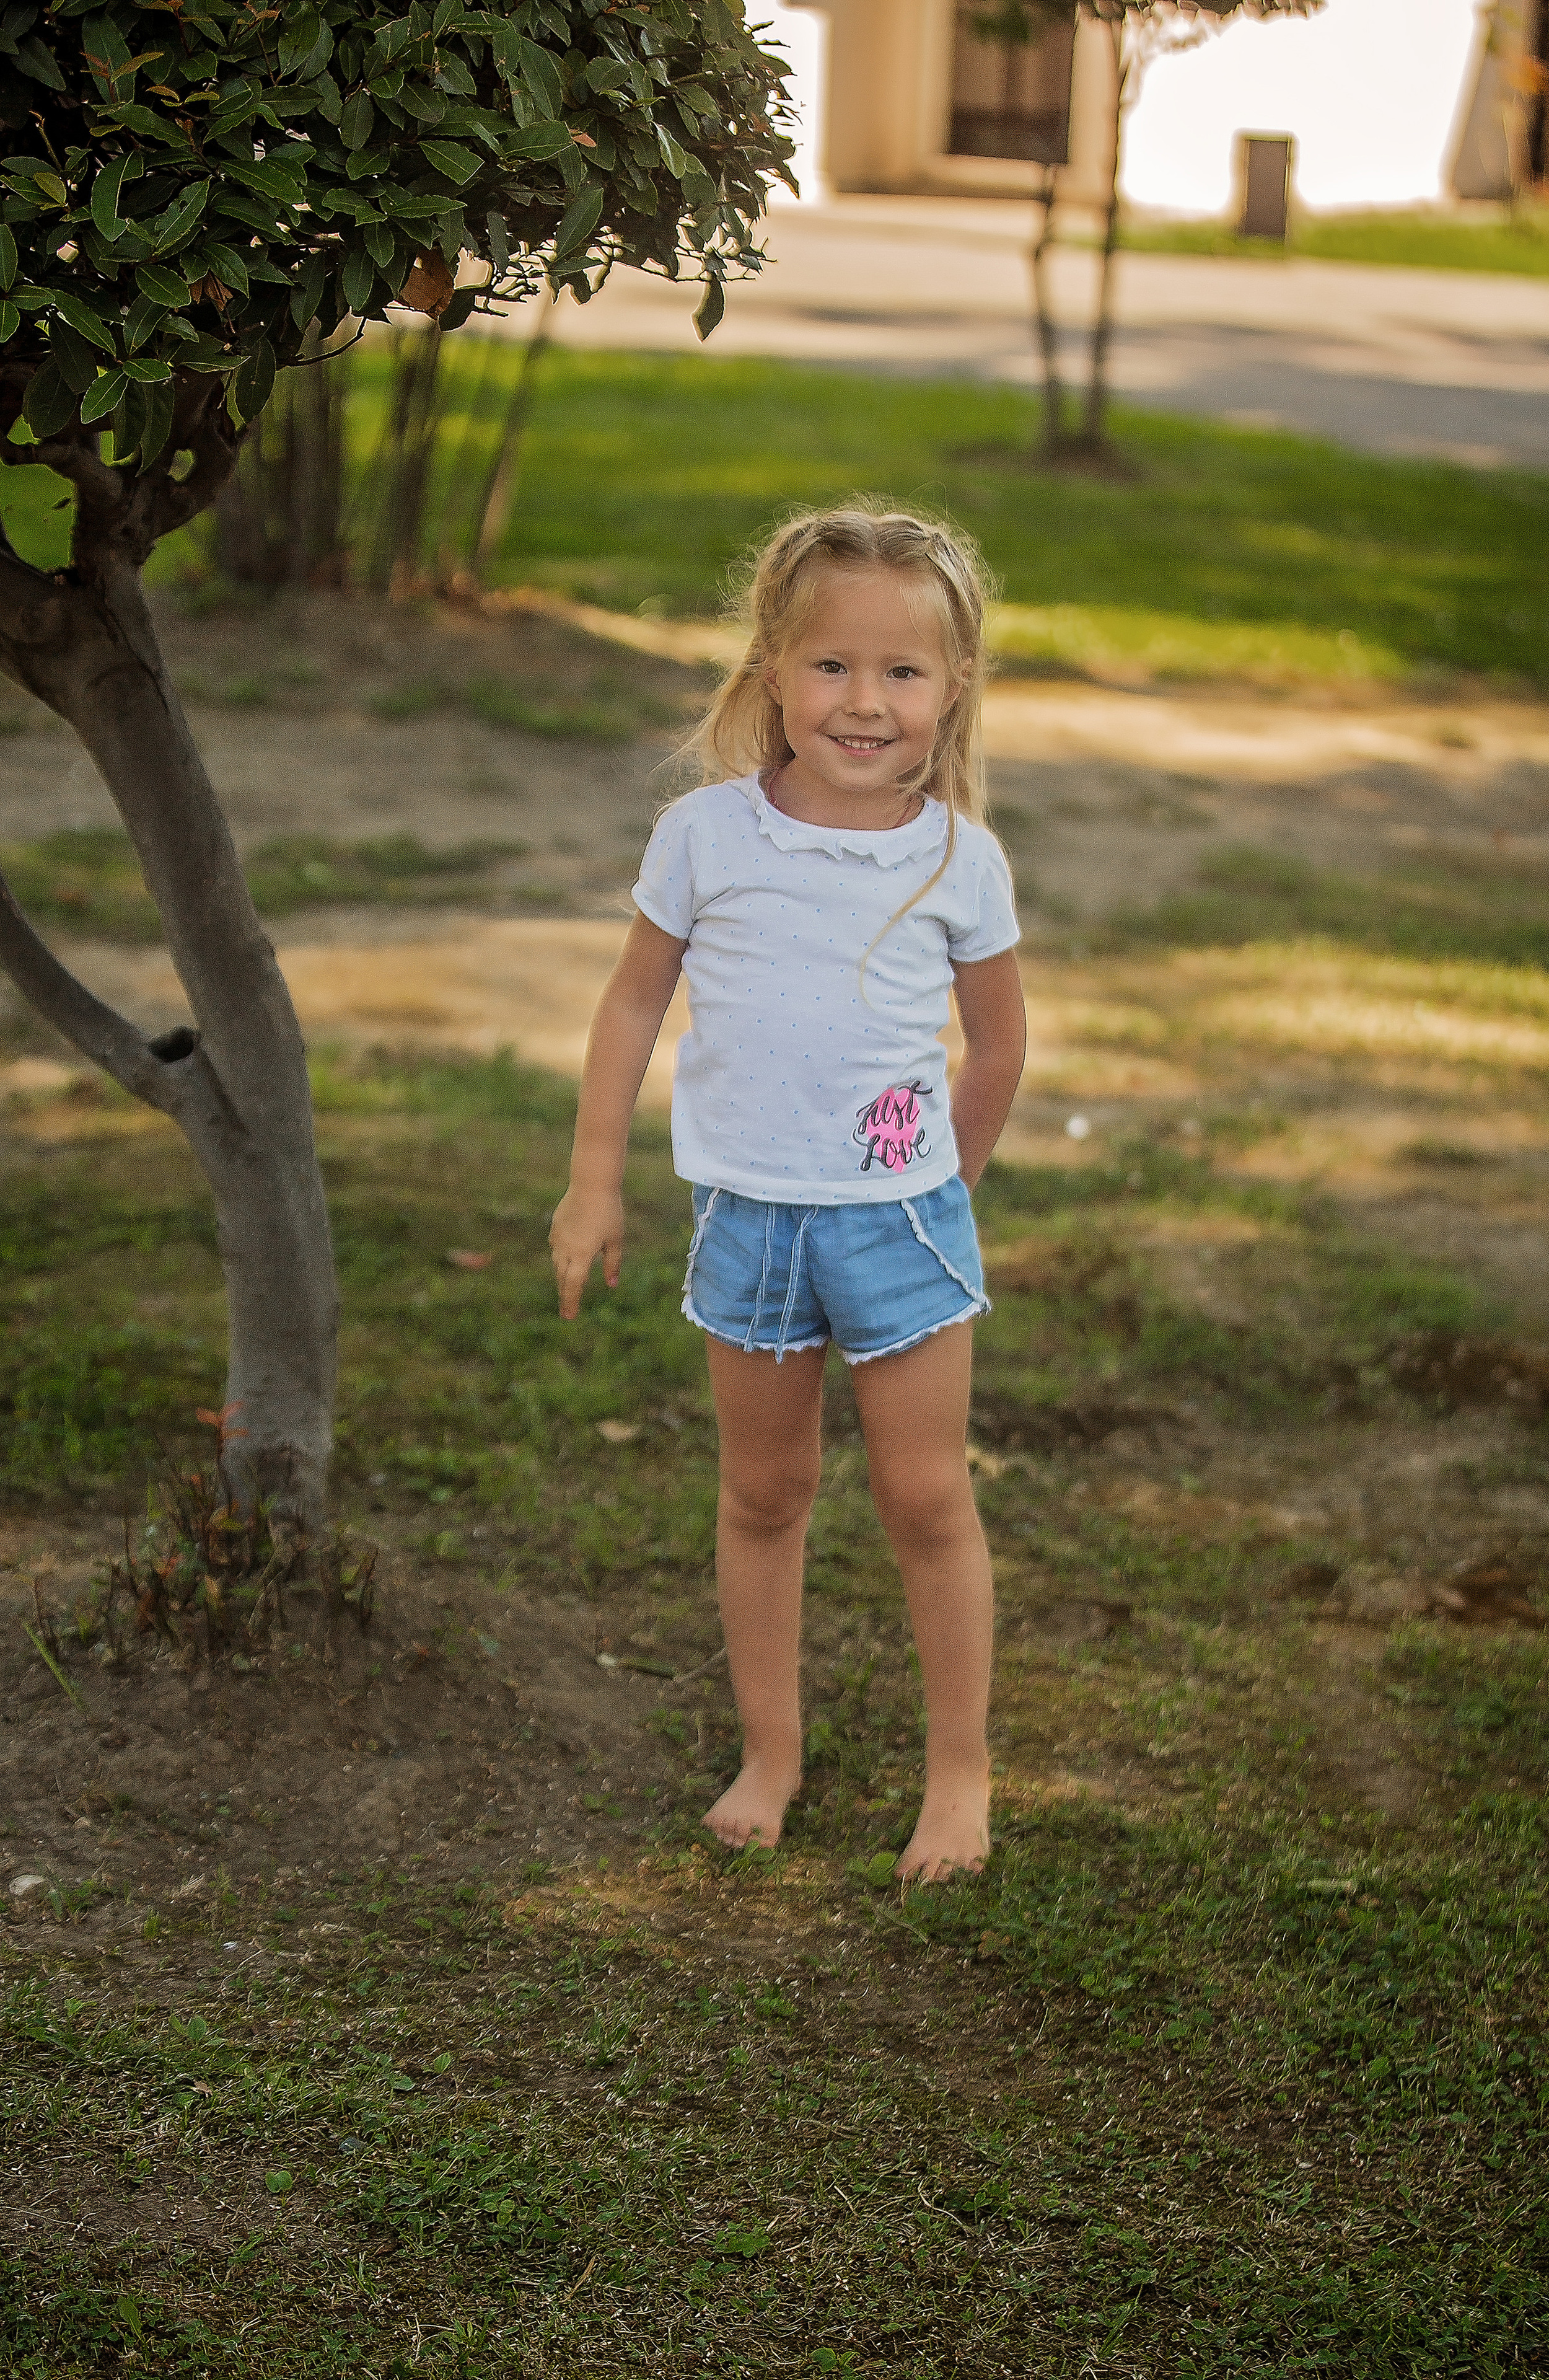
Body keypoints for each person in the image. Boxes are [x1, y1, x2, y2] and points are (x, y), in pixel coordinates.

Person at [550, 506, 1025, 1882]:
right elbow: (633, 1001)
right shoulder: (705, 836)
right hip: (746, 1224)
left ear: (951, 690)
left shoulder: (956, 861)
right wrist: (592, 1185)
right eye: (830, 666)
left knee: (926, 1498)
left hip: (901, 1230)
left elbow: (995, 1047)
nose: (863, 702)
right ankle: (771, 1750)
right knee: (763, 1492)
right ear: (769, 669)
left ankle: (959, 1773)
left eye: (901, 673)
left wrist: (942, 1196)